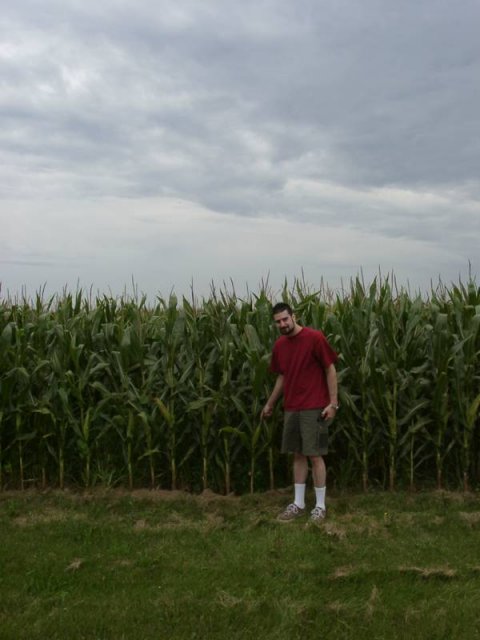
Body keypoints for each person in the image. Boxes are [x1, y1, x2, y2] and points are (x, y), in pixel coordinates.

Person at [261, 302, 338, 522]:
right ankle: (298, 503)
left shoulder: (315, 338)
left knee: (315, 455)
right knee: (297, 454)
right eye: (278, 321)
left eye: (285, 319)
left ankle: (320, 506)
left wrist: (333, 403)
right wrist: (270, 403)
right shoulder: (280, 345)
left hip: (314, 405)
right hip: (292, 407)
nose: (283, 324)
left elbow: (330, 368)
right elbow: (282, 376)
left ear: (294, 316)